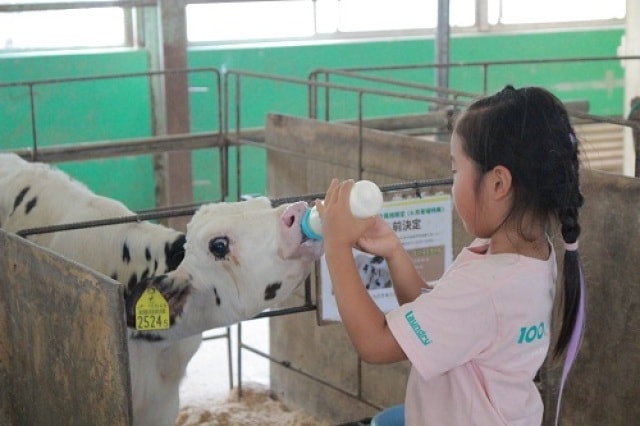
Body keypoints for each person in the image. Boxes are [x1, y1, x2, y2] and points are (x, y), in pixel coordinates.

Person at [316, 85, 585, 425]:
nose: (452, 182)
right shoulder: (528, 256)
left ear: (498, 183)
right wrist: (395, 253)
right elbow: (440, 317)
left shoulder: (488, 286)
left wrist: (336, 245)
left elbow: (375, 343)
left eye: (457, 170)